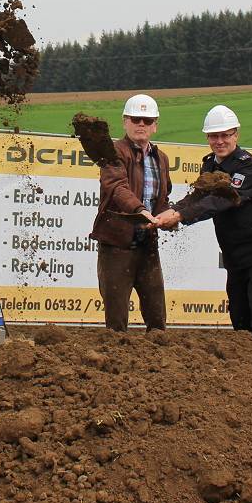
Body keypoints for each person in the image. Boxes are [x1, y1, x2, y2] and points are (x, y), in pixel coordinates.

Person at [154, 105, 252, 342]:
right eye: (214, 136)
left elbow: (222, 200)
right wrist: (172, 210)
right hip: (233, 253)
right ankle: (244, 366)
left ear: (236, 135)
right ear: (207, 137)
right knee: (239, 312)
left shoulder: (248, 167)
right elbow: (198, 195)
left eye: (225, 135)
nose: (219, 141)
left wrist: (181, 217)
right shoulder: (210, 164)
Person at [90, 94, 171, 332]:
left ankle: (160, 364)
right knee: (116, 319)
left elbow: (163, 197)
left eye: (147, 120)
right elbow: (116, 187)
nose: (141, 125)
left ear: (155, 125)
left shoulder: (161, 158)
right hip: (117, 244)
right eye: (136, 119)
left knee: (157, 316)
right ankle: (114, 362)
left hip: (148, 244)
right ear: (125, 121)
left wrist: (169, 216)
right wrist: (141, 211)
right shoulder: (113, 152)